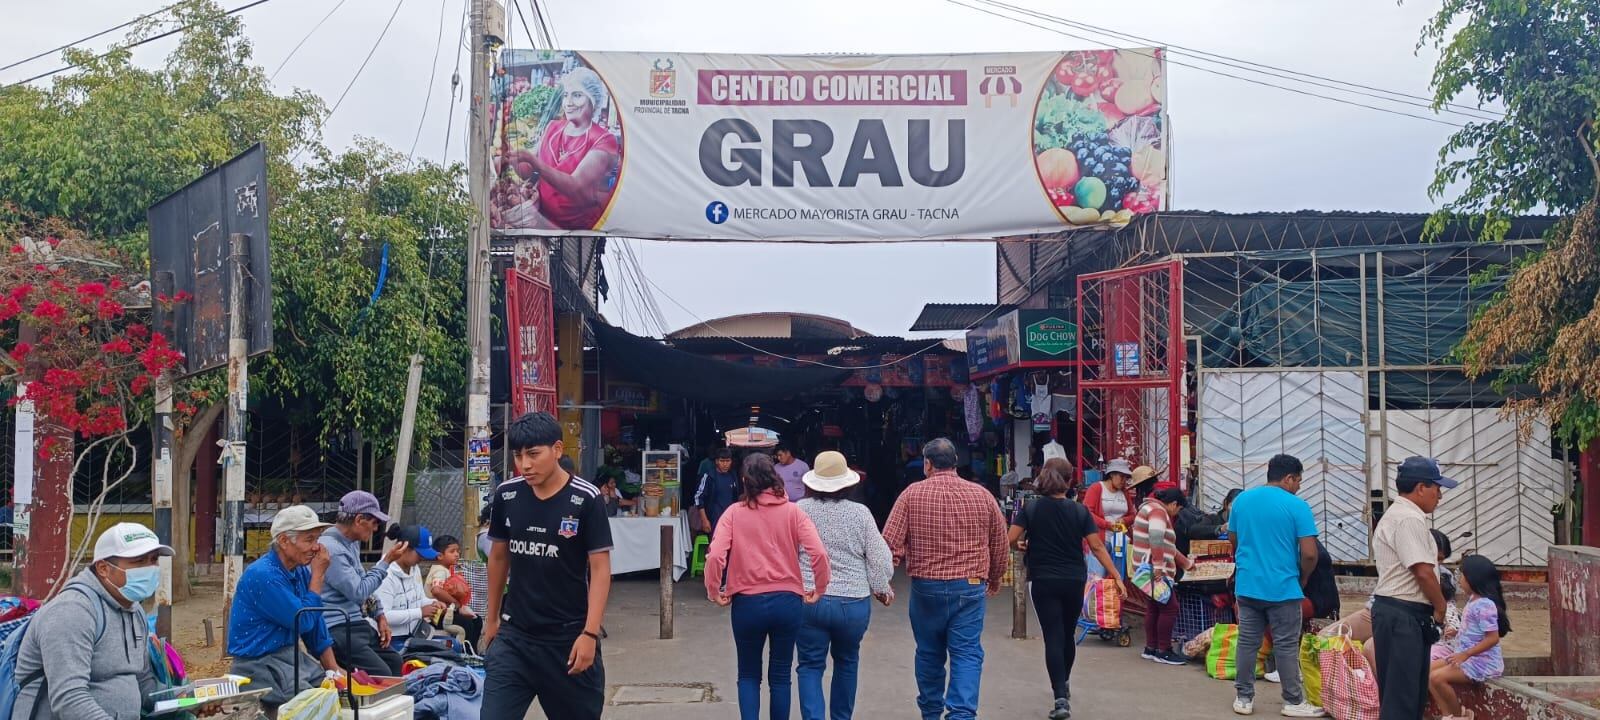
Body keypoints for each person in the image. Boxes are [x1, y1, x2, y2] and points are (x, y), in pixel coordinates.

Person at [481, 411, 613, 720]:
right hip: (515, 639)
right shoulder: (507, 495)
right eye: (518, 455)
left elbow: (600, 569)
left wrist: (590, 634)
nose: (525, 464)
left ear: (557, 449)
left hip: (568, 642)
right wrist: (491, 619)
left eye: (533, 454)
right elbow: (499, 557)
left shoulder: (587, 499)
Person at [883, 438, 1009, 720]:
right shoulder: (982, 495)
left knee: (929, 653)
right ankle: (962, 714)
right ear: (955, 463)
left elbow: (889, 543)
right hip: (970, 586)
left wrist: (883, 580)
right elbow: (999, 542)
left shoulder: (911, 495)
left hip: (927, 588)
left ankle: (930, 712)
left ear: (927, 464)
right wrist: (996, 576)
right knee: (966, 653)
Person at [704, 453, 830, 720]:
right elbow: (818, 553)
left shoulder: (733, 514)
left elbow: (715, 555)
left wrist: (714, 590)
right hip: (788, 601)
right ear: (775, 477)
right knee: (781, 676)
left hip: (747, 603)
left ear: (744, 481)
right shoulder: (794, 512)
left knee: (748, 674)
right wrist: (819, 587)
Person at [12, 523, 169, 720]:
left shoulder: (134, 610)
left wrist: (186, 700)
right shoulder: (72, 612)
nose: (150, 569)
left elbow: (143, 683)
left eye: (153, 560)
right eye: (138, 562)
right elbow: (69, 699)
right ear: (103, 568)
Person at [1007, 467, 1126, 719]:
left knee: (1053, 636)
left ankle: (1060, 698)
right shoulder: (1080, 511)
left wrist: (1022, 544)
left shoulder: (1032, 509)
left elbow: (1011, 538)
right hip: (1073, 579)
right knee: (1067, 634)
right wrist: (1115, 574)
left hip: (1043, 580)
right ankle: (1065, 682)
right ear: (1069, 482)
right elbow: (1095, 546)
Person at [794, 451, 892, 720]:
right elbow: (880, 558)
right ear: (849, 483)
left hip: (809, 599)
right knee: (847, 662)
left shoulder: (799, 510)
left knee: (810, 666)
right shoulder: (860, 514)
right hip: (852, 602)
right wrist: (882, 587)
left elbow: (785, 553)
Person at [1227, 454, 1325, 717]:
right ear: (1289, 478)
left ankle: (1243, 698)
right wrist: (1303, 577)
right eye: (1299, 481)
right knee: (1285, 644)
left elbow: (1234, 540)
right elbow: (1310, 554)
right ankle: (1293, 701)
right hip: (1283, 587)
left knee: (1247, 642)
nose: (1299, 487)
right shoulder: (1297, 506)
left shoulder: (1241, 501)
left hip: (1247, 586)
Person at [227, 506, 346, 706]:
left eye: (317, 539)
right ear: (283, 541)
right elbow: (304, 621)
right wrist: (318, 576)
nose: (316, 547)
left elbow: (315, 623)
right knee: (315, 705)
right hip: (258, 664)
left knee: (337, 694)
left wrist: (333, 669)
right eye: (309, 540)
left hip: (289, 656)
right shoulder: (264, 575)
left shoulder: (298, 570)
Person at [1371, 456, 1456, 720]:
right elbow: (1423, 571)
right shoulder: (1408, 519)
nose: (1439, 496)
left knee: (1405, 695)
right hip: (1403, 614)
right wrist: (1441, 608)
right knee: (1402, 700)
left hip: (1399, 613)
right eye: (1437, 488)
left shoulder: (1400, 515)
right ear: (1421, 487)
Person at [320, 490, 408, 676]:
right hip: (338, 627)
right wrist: (386, 561)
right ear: (359, 520)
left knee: (395, 661)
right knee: (381, 673)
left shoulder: (350, 543)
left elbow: (363, 580)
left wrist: (380, 614)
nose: (376, 529)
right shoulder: (332, 549)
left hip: (356, 623)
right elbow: (358, 591)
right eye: (374, 522)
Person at [526, 67, 620, 230]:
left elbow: (575, 186)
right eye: (565, 95)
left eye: (577, 95)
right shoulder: (553, 128)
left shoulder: (604, 140)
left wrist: (532, 161)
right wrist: (510, 159)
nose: (568, 103)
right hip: (541, 223)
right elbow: (528, 170)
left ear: (594, 101)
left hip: (577, 233)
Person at [1428, 555, 1510, 720]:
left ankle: (1457, 715)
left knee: (1437, 678)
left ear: (1473, 579)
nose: (1460, 581)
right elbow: (1475, 631)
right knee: (1426, 671)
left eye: (1462, 576)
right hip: (1465, 657)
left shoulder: (1485, 605)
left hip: (1482, 663)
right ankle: (1449, 715)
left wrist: (1465, 654)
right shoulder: (1473, 601)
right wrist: (1458, 633)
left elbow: (1492, 638)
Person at [1132, 486, 1195, 666]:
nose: (1177, 513)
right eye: (1178, 509)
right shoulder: (1158, 512)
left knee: (1154, 606)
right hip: (1154, 569)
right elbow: (1157, 539)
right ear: (1174, 504)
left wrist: (1186, 563)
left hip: (1145, 567)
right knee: (1169, 607)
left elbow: (1167, 545)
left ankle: (1151, 648)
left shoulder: (1148, 508)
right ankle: (1164, 650)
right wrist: (1159, 566)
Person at [375, 525, 446, 653]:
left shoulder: (414, 568)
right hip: (391, 640)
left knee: (453, 645)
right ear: (404, 548)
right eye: (419, 554)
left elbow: (419, 599)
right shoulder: (385, 573)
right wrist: (420, 612)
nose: (422, 558)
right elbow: (384, 615)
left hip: (415, 634)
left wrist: (433, 604)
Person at [426, 534, 483, 647]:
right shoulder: (440, 570)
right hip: (435, 616)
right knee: (466, 624)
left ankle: (472, 651)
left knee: (477, 620)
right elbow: (436, 590)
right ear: (440, 556)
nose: (457, 554)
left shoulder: (446, 569)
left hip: (447, 613)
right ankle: (465, 653)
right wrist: (456, 603)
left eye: (458, 551)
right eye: (452, 551)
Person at [1083, 458, 1137, 542]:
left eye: (1126, 477)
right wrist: (1108, 525)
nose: (1124, 481)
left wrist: (1124, 520)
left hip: (1120, 540)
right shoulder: (1096, 488)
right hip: (1099, 540)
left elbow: (1132, 515)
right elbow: (1087, 513)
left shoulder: (1124, 492)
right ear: (1112, 474)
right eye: (1121, 476)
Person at [694, 448, 739, 538]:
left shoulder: (733, 476)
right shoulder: (709, 476)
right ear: (716, 461)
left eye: (728, 461)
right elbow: (698, 498)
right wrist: (704, 520)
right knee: (715, 546)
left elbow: (736, 497)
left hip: (731, 518)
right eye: (722, 461)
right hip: (714, 519)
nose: (725, 464)